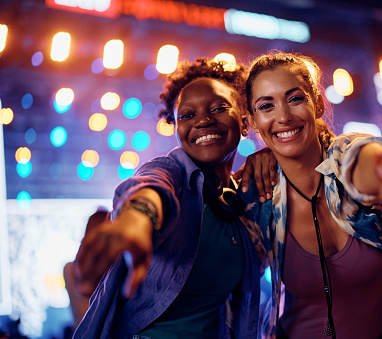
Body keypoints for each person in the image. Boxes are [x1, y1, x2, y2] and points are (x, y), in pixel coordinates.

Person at [238, 51, 382, 339]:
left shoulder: (345, 157)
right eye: (266, 106)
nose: (283, 116)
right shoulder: (259, 200)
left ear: (318, 104)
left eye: (295, 99)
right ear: (254, 121)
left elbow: (362, 157)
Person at [72, 58, 262, 338]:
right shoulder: (171, 170)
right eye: (187, 115)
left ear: (245, 122)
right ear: (175, 127)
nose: (203, 121)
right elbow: (150, 186)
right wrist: (138, 217)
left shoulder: (242, 200)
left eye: (219, 108)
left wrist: (274, 153)